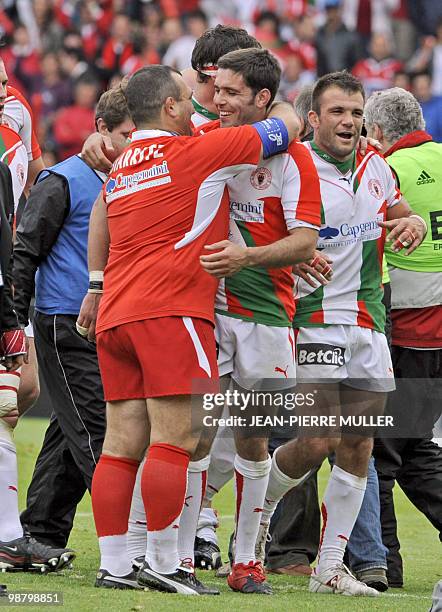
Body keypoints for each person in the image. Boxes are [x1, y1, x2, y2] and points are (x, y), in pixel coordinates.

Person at [81, 63, 299, 594]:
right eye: (187, 95)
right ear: (172, 107)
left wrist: (95, 283)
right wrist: (287, 108)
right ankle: (163, 561)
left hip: (117, 315)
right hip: (171, 313)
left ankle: (115, 564)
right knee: (176, 441)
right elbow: (286, 127)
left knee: (120, 445)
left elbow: (100, 219)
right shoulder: (198, 152)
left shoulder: (122, 163)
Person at [258, 71, 427, 597]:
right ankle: (256, 521)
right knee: (315, 440)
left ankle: (330, 567)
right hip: (313, 319)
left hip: (369, 322)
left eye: (355, 113)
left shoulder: (378, 165)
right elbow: (269, 232)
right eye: (337, 112)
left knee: (358, 445)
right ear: (313, 119)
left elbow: (401, 215)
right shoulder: (294, 165)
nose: (349, 122)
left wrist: (411, 225)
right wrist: (294, 258)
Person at [12, 85, 134, 552]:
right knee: (99, 431)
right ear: (100, 130)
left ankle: (40, 532)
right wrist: (14, 331)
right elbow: (24, 254)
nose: (132, 143)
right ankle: (125, 548)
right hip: (65, 323)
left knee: (69, 430)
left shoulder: (127, 177)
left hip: (106, 324)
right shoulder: (61, 181)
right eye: (125, 134)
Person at [364, 86, 442, 588]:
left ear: (376, 132)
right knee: (415, 451)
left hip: (409, 333)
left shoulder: (387, 173)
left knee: (380, 455)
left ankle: (384, 568)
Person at [0, 157, 73, 572]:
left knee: (21, 394)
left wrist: (11, 315)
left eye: (6, 86)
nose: (3, 92)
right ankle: (10, 538)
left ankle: (13, 536)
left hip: (10, 301)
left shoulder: (14, 136)